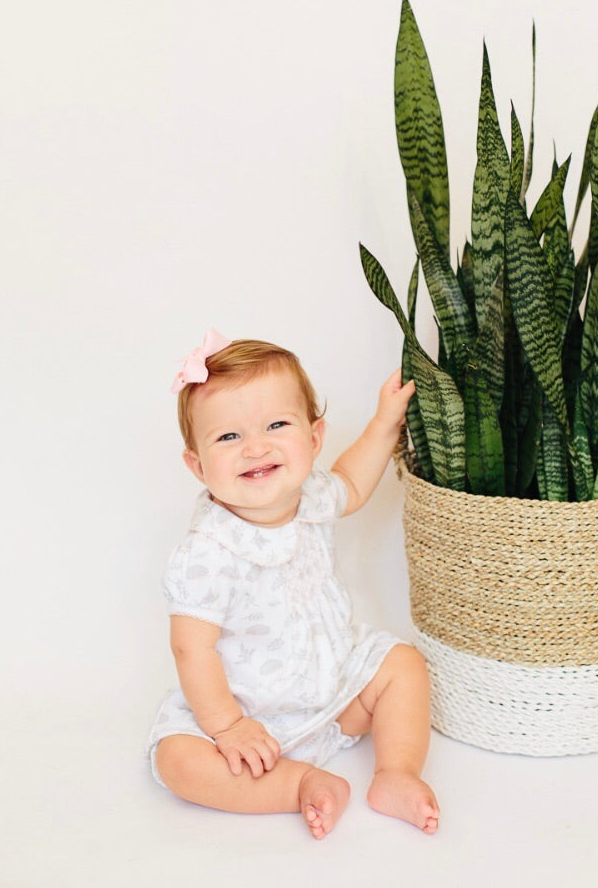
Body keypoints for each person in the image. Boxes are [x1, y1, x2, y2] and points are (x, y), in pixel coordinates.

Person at [147, 330, 439, 839]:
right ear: (197, 466)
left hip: (332, 692)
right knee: (179, 763)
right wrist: (227, 725)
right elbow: (191, 649)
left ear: (314, 438)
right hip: (243, 715)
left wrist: (384, 423)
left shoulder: (312, 495)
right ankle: (298, 784)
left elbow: (352, 482)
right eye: (228, 437)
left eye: (276, 424)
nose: (255, 447)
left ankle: (396, 773)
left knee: (404, 666)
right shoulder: (206, 550)